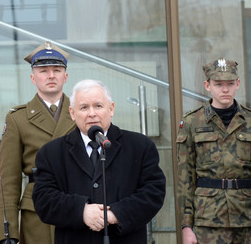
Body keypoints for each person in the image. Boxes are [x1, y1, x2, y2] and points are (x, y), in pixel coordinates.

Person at [32, 79, 166, 244]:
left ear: (111, 109)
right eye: (84, 107)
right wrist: (81, 211)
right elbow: (44, 200)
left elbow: (153, 193)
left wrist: (114, 215)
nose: (92, 113)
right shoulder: (51, 153)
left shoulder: (140, 146)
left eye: (98, 106)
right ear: (72, 113)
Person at [0, 42, 76, 244]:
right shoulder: (17, 118)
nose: (51, 76)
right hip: (38, 210)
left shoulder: (82, 113)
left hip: (78, 205)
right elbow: (9, 181)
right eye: (43, 71)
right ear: (33, 78)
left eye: (57, 70)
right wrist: (9, 232)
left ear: (65, 77)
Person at [176, 58, 251, 244]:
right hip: (208, 220)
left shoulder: (249, 121)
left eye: (230, 84)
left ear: (238, 84)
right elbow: (185, 179)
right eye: (218, 84)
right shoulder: (192, 122)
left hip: (247, 216)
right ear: (207, 85)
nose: (225, 90)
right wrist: (186, 226)